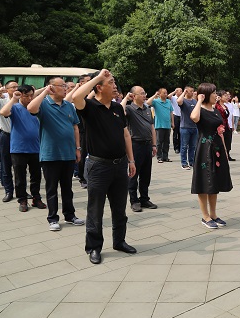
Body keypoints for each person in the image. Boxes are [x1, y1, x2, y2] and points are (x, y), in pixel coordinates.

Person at [72, 69, 137, 265]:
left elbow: (125, 134)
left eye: (114, 82)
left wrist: (131, 160)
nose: (115, 86)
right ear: (99, 87)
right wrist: (99, 77)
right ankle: (94, 247)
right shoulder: (90, 106)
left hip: (120, 164)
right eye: (111, 83)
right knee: (95, 209)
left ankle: (119, 241)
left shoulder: (117, 108)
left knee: (120, 208)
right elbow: (75, 97)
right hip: (98, 166)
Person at [27, 77, 84, 232]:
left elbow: (75, 127)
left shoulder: (68, 105)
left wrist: (77, 148)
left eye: (66, 85)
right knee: (51, 188)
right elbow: (31, 108)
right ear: (51, 87)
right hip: (50, 154)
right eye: (62, 85)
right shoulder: (44, 104)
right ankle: (53, 218)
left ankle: (70, 215)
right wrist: (45, 91)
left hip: (68, 153)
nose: (66, 88)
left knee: (67, 188)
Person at [190, 83, 233, 229]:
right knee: (204, 182)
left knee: (214, 181)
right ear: (206, 94)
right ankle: (205, 216)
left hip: (217, 148)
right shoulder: (200, 109)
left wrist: (225, 151)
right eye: (214, 93)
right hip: (204, 149)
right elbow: (194, 117)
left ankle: (213, 214)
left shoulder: (215, 110)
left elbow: (220, 131)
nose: (216, 95)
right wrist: (199, 100)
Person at [0, 85, 46, 212]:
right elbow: (3, 112)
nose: (30, 98)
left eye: (31, 95)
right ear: (20, 95)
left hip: (36, 147)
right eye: (26, 96)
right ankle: (22, 199)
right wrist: (14, 99)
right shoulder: (15, 107)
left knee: (36, 176)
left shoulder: (36, 107)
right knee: (20, 177)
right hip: (19, 148)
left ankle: (36, 198)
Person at [121, 86, 158, 212]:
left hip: (147, 145)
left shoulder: (147, 109)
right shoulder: (129, 109)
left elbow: (152, 127)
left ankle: (144, 199)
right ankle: (134, 200)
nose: (144, 95)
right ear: (133, 96)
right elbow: (119, 111)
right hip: (135, 145)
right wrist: (126, 98)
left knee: (146, 174)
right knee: (133, 174)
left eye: (144, 93)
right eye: (141, 93)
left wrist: (154, 145)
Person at [147, 88, 174, 163]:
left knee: (167, 142)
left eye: (166, 93)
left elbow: (171, 112)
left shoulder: (168, 101)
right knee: (159, 142)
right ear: (160, 94)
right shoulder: (156, 101)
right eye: (164, 93)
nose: (166, 94)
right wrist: (155, 95)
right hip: (159, 125)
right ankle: (159, 157)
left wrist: (172, 122)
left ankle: (165, 157)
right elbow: (148, 102)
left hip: (167, 125)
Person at [177, 86, 198, 170]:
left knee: (193, 146)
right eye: (190, 91)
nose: (192, 92)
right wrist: (183, 92)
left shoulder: (194, 101)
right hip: (185, 127)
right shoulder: (183, 101)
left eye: (193, 91)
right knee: (184, 146)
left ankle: (192, 162)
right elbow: (179, 101)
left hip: (194, 127)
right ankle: (184, 163)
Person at [215, 90, 234, 161]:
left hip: (226, 125)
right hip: (220, 126)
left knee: (228, 141)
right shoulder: (217, 106)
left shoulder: (225, 106)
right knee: (220, 143)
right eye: (225, 96)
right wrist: (216, 101)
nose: (227, 97)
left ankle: (227, 155)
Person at [170, 87, 182, 154]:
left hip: (181, 116)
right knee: (175, 132)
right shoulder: (173, 98)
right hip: (175, 115)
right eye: (180, 91)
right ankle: (176, 147)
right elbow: (168, 96)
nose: (181, 92)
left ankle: (180, 147)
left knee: (181, 133)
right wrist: (174, 91)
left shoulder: (182, 98)